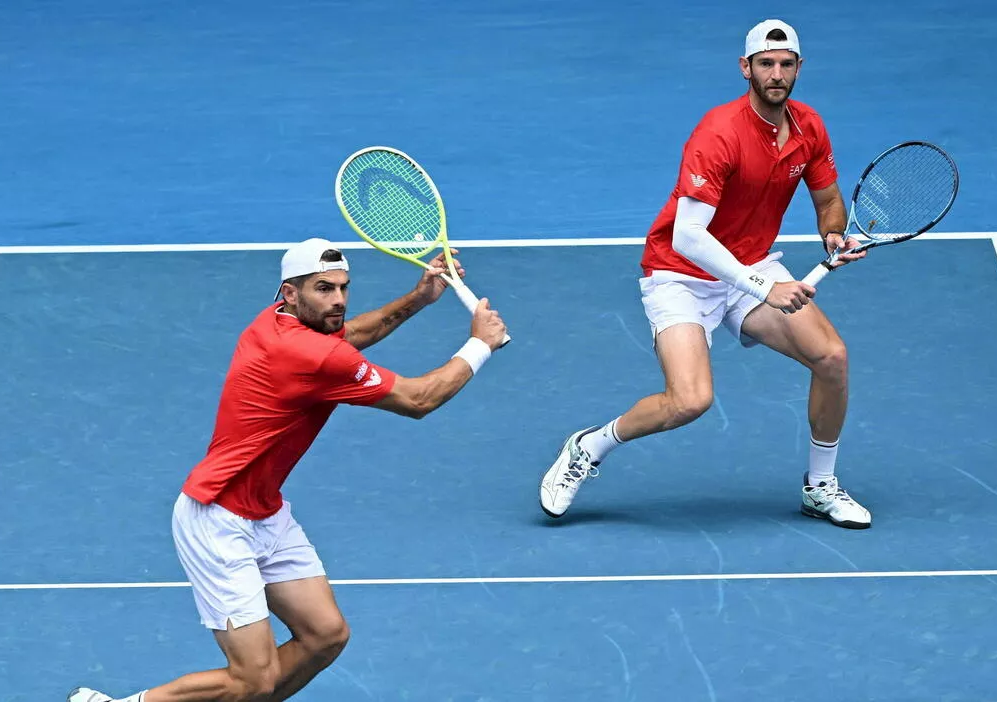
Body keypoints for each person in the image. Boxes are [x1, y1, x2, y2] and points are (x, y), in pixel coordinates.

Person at [70, 238, 509, 702]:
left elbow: (351, 334)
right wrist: (480, 344)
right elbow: (419, 400)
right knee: (252, 679)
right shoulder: (310, 356)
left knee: (324, 636)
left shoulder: (277, 322)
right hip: (217, 520)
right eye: (324, 289)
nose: (338, 299)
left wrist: (419, 298)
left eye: (343, 287)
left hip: (265, 513)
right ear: (291, 292)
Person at [539, 19, 872, 529]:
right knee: (689, 400)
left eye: (786, 64)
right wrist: (765, 285)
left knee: (832, 358)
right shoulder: (719, 133)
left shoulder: (809, 127)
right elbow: (688, 237)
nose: (776, 73)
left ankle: (820, 487)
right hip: (681, 275)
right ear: (746, 68)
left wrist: (832, 234)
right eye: (766, 64)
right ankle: (590, 446)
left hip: (748, 264)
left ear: (799, 68)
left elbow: (827, 198)